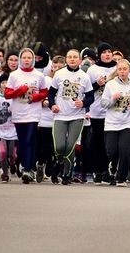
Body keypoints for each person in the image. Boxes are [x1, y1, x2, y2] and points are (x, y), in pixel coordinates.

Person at [48, 49, 94, 185]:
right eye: (70, 57)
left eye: (75, 57)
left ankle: (67, 174)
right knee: (60, 146)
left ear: (79, 60)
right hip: (60, 115)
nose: (72, 59)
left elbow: (91, 96)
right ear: (66, 59)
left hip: (77, 116)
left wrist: (83, 103)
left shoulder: (84, 76)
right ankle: (58, 162)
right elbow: (51, 93)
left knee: (70, 146)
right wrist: (52, 105)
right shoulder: (59, 74)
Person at [4, 48, 48, 183]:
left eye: (29, 58)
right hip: (19, 113)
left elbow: (44, 92)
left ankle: (28, 169)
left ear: (33, 59)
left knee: (30, 140)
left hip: (33, 113)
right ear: (20, 59)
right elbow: (7, 94)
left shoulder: (38, 75)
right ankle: (25, 165)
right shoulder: (14, 75)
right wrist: (20, 90)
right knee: (22, 142)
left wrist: (35, 97)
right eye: (24, 58)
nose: (27, 60)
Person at [101, 59, 130, 186]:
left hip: (128, 123)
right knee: (112, 151)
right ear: (117, 71)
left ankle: (121, 177)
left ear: (129, 71)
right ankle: (112, 166)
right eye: (120, 69)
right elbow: (104, 104)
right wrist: (113, 99)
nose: (122, 72)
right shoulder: (110, 85)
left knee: (125, 150)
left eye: (125, 69)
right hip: (112, 123)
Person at [87, 42, 117, 184]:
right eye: (104, 52)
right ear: (99, 55)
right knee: (98, 141)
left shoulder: (117, 67)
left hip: (114, 112)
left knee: (110, 143)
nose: (107, 54)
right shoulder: (93, 69)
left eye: (109, 52)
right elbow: (85, 91)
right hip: (97, 111)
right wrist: (96, 84)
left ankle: (109, 171)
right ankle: (98, 170)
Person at [36, 55, 65, 183]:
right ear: (52, 67)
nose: (57, 69)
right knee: (46, 147)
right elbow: (40, 96)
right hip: (45, 119)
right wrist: (45, 101)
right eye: (55, 66)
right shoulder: (46, 80)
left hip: (61, 118)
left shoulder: (66, 80)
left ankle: (55, 171)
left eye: (60, 67)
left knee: (58, 147)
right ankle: (42, 164)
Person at [0, 74, 17, 182]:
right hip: (0, 130)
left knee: (12, 154)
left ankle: (12, 164)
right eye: (3, 82)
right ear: (0, 85)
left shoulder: (15, 97)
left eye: (7, 82)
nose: (5, 85)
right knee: (3, 152)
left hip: (13, 130)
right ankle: (5, 173)